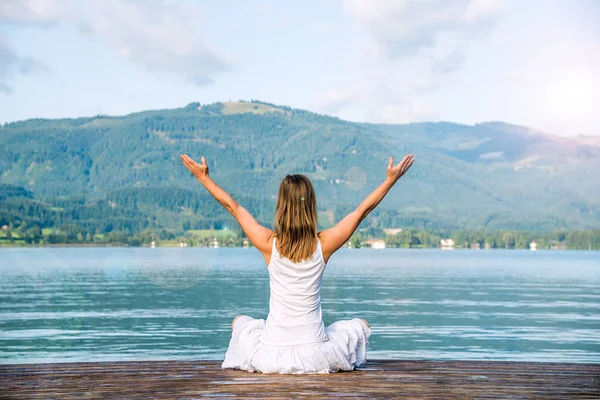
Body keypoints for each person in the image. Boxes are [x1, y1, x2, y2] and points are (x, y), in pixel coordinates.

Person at [180, 153, 414, 374]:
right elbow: (362, 211)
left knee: (239, 322)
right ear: (310, 204)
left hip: (271, 354)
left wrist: (204, 178)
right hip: (315, 353)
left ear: (281, 206)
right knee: (360, 325)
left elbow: (234, 207)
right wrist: (389, 181)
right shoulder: (324, 244)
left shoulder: (268, 243)